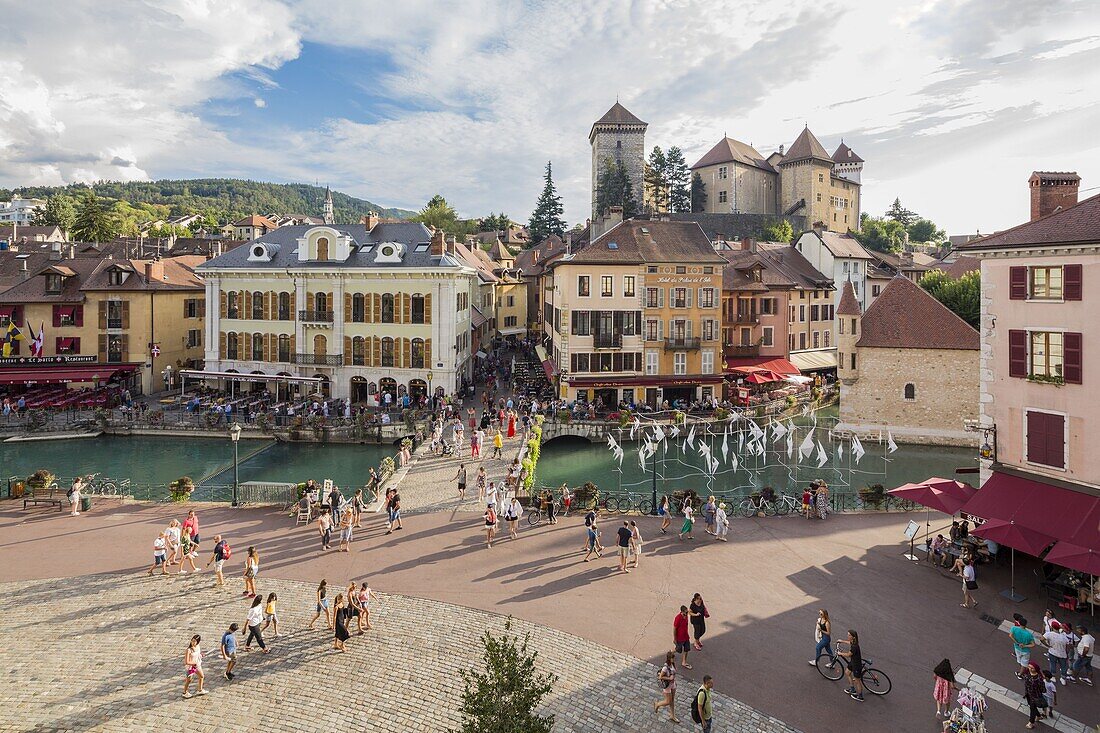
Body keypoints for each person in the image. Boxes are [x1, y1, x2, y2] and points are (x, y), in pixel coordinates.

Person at [653, 650, 680, 723]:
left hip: (673, 684)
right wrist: (669, 678)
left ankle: (672, 716)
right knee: (668, 701)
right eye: (672, 658)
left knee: (672, 701)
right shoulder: (665, 667)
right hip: (667, 685)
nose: (674, 659)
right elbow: (660, 677)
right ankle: (657, 704)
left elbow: (673, 673)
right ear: (669, 658)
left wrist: (673, 678)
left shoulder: (672, 664)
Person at [838, 629, 864, 702]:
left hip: (856, 665)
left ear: (853, 637)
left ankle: (860, 696)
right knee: (847, 673)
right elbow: (849, 642)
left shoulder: (854, 647)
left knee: (857, 681)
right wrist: (841, 641)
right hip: (853, 662)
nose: (847, 636)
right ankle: (852, 689)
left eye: (849, 635)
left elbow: (848, 654)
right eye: (848, 634)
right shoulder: (853, 642)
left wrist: (840, 654)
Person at [1043, 620, 1071, 685]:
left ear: (1052, 627)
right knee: (1063, 666)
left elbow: (1042, 638)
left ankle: (1053, 676)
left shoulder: (1049, 634)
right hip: (1062, 654)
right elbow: (1068, 647)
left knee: (1052, 664)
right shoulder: (1064, 637)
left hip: (1052, 652)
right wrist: (1066, 653)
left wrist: (1047, 645)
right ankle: (1063, 678)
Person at [1023, 662, 1046, 728]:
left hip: (1035, 695)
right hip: (1028, 693)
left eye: (1032, 668)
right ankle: (1038, 716)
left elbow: (1043, 688)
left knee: (1032, 708)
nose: (1030, 669)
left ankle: (1031, 722)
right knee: (1031, 706)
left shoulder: (1038, 678)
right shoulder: (1027, 673)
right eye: (1029, 667)